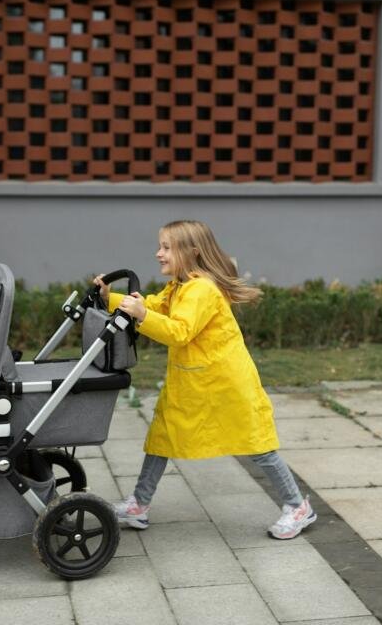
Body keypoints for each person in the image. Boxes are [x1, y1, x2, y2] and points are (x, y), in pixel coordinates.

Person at [94, 219, 315, 540]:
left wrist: (140, 315)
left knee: (256, 444)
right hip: (194, 383)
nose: (159, 253)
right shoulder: (183, 285)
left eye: (166, 247)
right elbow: (155, 306)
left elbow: (179, 331)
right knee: (162, 438)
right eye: (160, 246)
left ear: (192, 252)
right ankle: (139, 504)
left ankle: (298, 507)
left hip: (225, 385)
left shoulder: (202, 290)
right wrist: (111, 299)